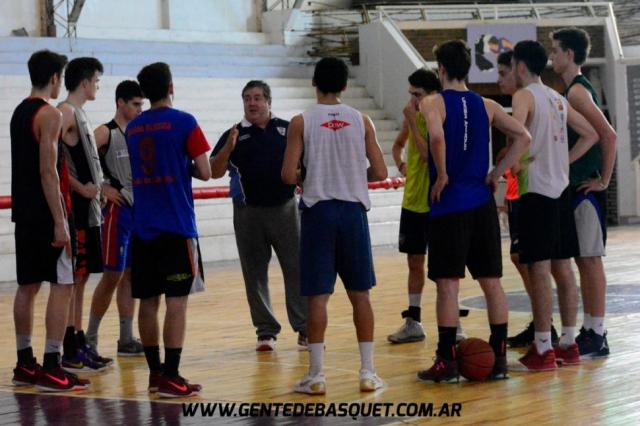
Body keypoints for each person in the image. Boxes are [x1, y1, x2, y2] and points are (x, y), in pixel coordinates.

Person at [417, 40, 531, 383]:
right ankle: (498, 359)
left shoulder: (431, 102)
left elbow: (437, 138)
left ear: (441, 70)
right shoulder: (487, 105)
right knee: (492, 283)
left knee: (448, 286)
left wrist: (444, 172)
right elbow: (523, 136)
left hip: (449, 204)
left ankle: (446, 361)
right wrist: (498, 174)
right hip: (482, 204)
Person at [282, 57, 388, 394]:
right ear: (345, 85)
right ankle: (368, 372)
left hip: (318, 213)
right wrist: (355, 176)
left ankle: (316, 375)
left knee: (318, 298)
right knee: (361, 296)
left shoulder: (301, 121)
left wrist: (308, 176)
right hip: (352, 213)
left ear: (315, 83)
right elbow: (382, 172)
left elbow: (288, 175)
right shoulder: (362, 119)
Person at [510, 40, 598, 370]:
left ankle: (543, 348)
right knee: (563, 267)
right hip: (561, 189)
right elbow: (590, 133)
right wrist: (563, 159)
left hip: (538, 191)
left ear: (520, 66)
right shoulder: (558, 98)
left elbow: (518, 132)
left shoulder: (524, 95)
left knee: (539, 268)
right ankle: (569, 344)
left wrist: (511, 165)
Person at [127, 62, 211, 398]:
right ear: (171, 86)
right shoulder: (185, 122)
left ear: (144, 93)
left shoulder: (133, 128)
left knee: (148, 301)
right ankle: (172, 375)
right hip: (176, 225)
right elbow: (205, 171)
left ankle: (155, 374)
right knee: (177, 301)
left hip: (143, 226)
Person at [10, 49, 89, 391]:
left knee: (27, 286)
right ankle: (53, 364)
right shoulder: (51, 114)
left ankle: (25, 362)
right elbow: (48, 171)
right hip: (47, 213)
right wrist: (60, 220)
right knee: (64, 285)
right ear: (56, 77)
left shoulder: (18, 112)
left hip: (24, 213)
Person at [210, 80, 307, 352]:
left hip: (286, 208)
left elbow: (306, 164)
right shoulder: (233, 133)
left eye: (257, 98)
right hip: (247, 212)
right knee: (254, 273)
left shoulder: (288, 129)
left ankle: (304, 328)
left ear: (268, 102)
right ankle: (266, 331)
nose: (252, 103)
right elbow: (214, 171)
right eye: (247, 98)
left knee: (296, 269)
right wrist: (227, 149)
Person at [550, 27, 617, 358]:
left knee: (589, 262)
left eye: (555, 51)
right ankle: (592, 330)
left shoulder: (577, 93)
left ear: (569, 55)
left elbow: (607, 135)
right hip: (576, 187)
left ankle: (597, 332)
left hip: (586, 187)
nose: (552, 57)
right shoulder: (571, 91)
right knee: (583, 260)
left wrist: (603, 179)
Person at [496, 50, 559, 348]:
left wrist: (505, 166)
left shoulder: (525, 99)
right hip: (522, 192)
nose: (500, 80)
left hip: (530, 192)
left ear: (517, 69)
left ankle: (545, 329)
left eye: (503, 73)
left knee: (531, 261)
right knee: (524, 259)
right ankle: (542, 325)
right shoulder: (543, 98)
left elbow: (522, 141)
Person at [85, 80, 145, 357]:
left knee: (130, 275)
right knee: (112, 275)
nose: (139, 109)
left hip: (137, 210)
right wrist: (102, 188)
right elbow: (74, 157)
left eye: (141, 104)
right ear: (120, 103)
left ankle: (125, 338)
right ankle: (90, 338)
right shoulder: (104, 132)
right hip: (117, 212)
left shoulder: (140, 132)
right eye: (135, 104)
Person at [58, 57, 111, 372]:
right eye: (97, 81)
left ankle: (78, 341)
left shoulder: (80, 114)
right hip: (76, 210)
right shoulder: (65, 112)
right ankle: (69, 346)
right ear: (85, 82)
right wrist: (80, 188)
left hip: (90, 209)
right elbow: (54, 162)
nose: (98, 86)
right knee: (73, 280)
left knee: (81, 280)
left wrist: (98, 191)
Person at [388, 69, 441, 344]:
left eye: (417, 94)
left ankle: (452, 324)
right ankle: (414, 320)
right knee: (414, 262)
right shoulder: (413, 117)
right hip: (412, 200)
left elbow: (426, 153)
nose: (412, 100)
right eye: (410, 94)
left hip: (435, 201)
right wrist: (400, 164)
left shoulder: (433, 117)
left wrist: (411, 117)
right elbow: (398, 146)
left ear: (431, 94)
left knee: (444, 265)